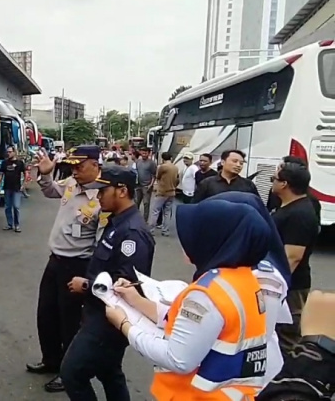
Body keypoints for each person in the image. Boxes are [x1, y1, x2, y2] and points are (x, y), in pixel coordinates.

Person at [106, 199, 270, 400]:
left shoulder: (207, 294)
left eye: (196, 234)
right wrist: (136, 301)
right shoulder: (244, 280)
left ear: (213, 240)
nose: (186, 240)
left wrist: (124, 325)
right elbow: (196, 327)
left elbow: (178, 359)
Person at [59, 165, 155, 401]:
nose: (98, 196)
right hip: (97, 312)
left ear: (122, 191)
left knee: (72, 373)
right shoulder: (116, 222)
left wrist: (86, 285)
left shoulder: (133, 232)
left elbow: (126, 284)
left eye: (103, 190)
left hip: (108, 319)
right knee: (109, 372)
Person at [26, 145, 103, 393]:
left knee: (69, 322)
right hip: (55, 260)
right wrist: (46, 173)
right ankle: (51, 360)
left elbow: (101, 245)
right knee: (46, 314)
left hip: (78, 264)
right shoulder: (71, 183)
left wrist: (90, 277)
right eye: (72, 166)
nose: (75, 171)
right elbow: (50, 191)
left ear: (95, 164)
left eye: (80, 166)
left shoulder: (102, 198)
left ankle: (68, 371)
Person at [208, 191, 293, 390]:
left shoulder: (264, 276)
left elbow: (259, 333)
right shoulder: (237, 257)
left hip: (251, 376)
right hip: (230, 367)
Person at [270, 161, 320, 355]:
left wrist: (275, 287)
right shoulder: (289, 207)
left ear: (284, 184)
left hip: (291, 286)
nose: (272, 182)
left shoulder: (300, 214)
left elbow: (293, 257)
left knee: (287, 332)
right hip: (284, 283)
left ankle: (291, 376)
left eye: (274, 179)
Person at [193, 149, 258, 202]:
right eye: (235, 161)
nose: (238, 165)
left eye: (241, 163)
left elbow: (257, 206)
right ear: (223, 162)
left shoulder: (248, 185)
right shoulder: (206, 183)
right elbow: (196, 206)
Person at [0, 146, 26, 232]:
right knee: (7, 207)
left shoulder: (20, 163)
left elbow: (25, 174)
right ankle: (10, 224)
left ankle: (17, 225)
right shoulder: (4, 163)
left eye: (10, 152)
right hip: (7, 188)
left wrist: (23, 184)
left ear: (14, 152)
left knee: (16, 207)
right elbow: (1, 175)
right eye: (7, 152)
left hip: (16, 188)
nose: (8, 153)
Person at [149, 152, 178, 236]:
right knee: (167, 212)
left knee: (155, 211)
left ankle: (151, 230)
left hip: (162, 192)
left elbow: (157, 176)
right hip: (172, 192)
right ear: (171, 158)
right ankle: (165, 231)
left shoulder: (162, 167)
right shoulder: (175, 167)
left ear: (162, 158)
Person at [134, 148, 157, 220]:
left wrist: (150, 185)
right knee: (136, 202)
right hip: (138, 186)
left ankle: (145, 220)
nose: (144, 154)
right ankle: (135, 218)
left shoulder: (152, 163)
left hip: (146, 186)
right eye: (142, 153)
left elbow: (154, 175)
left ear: (149, 153)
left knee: (146, 203)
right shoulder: (138, 162)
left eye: (145, 153)